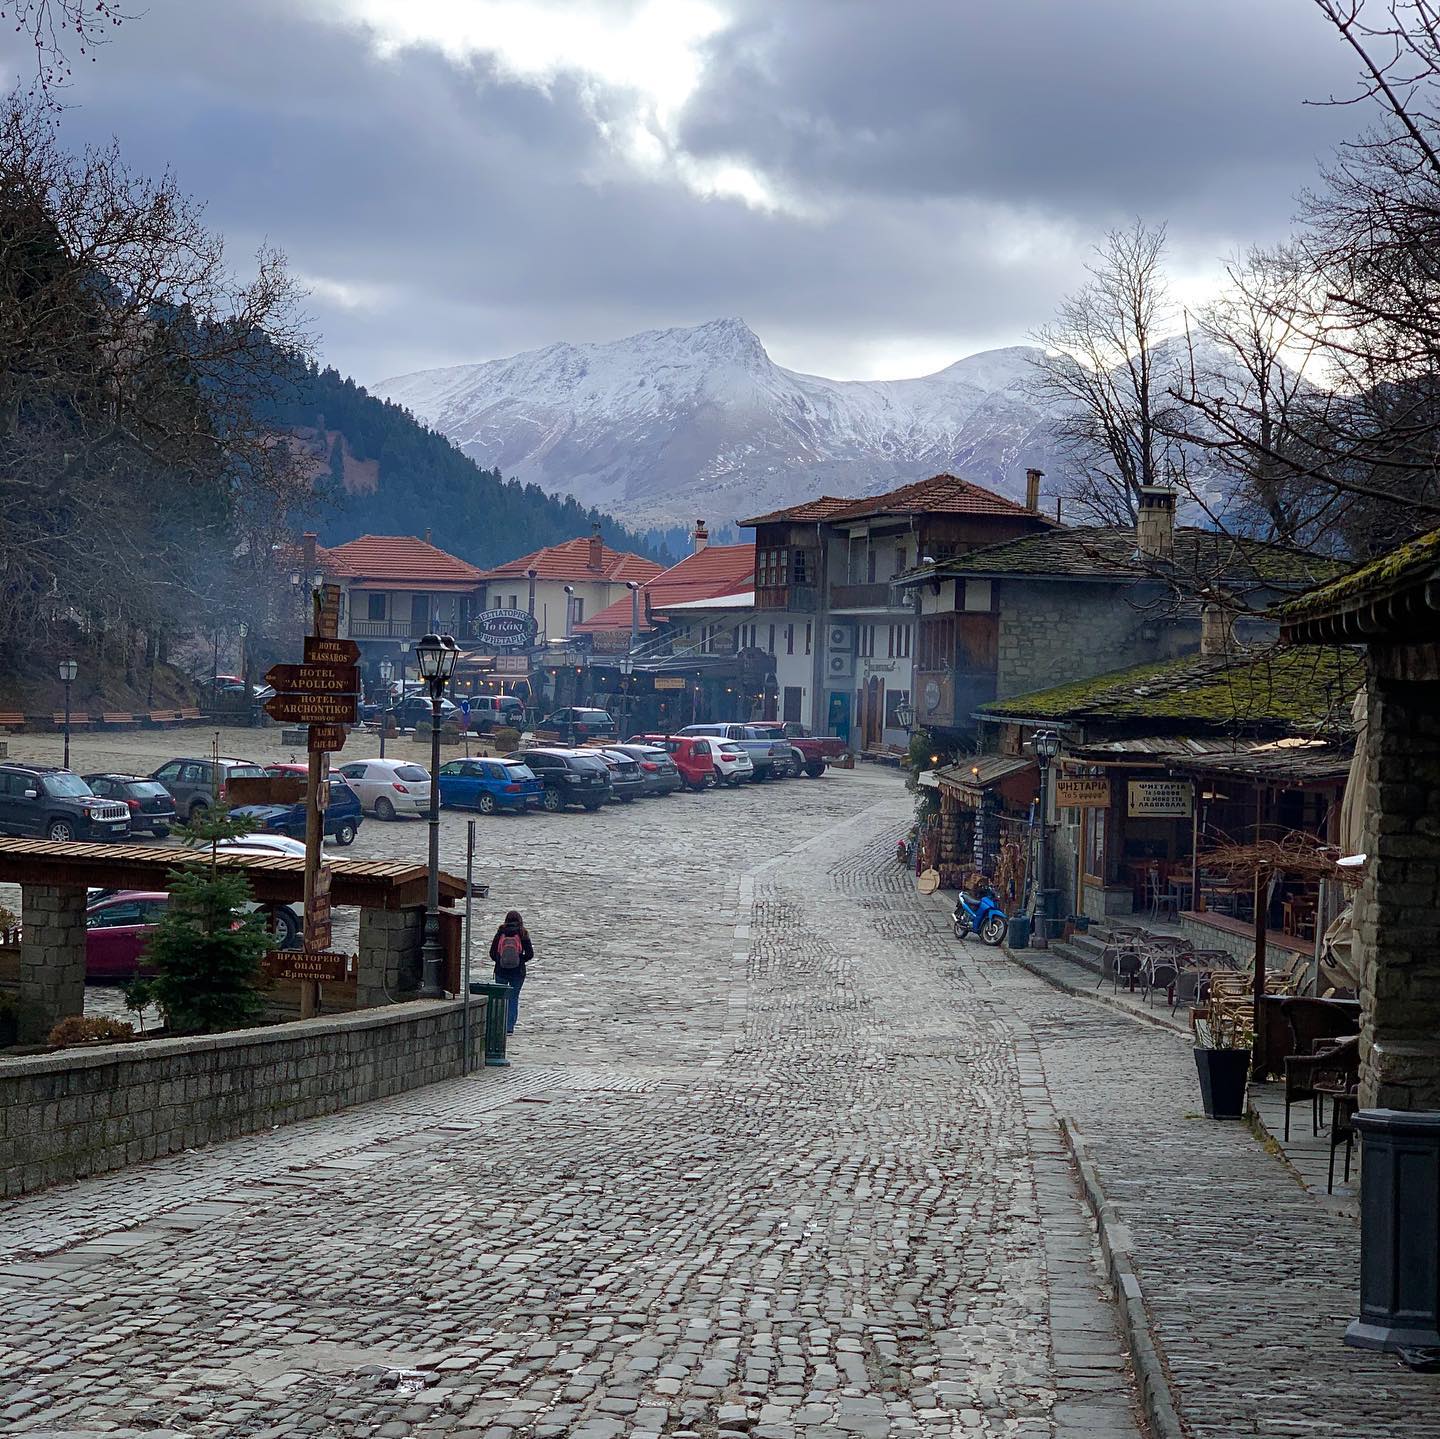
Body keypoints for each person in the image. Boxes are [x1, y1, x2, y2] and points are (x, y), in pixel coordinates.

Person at [489, 909, 534, 1035]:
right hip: (518, 972)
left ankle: (499, 1025)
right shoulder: (522, 933)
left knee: (501, 999)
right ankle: (509, 1027)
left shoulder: (501, 932)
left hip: (501, 971)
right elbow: (530, 954)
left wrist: (500, 960)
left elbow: (492, 953)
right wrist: (520, 960)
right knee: (513, 998)